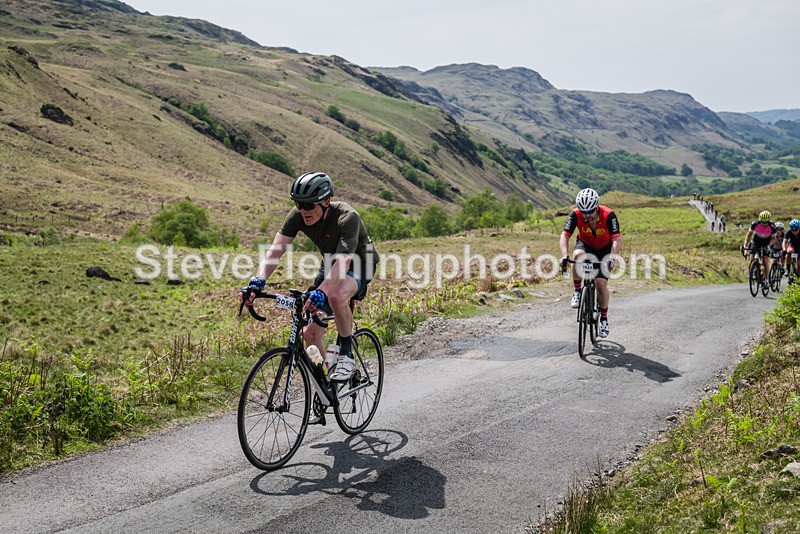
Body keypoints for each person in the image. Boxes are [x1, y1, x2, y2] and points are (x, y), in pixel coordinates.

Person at [240, 171, 379, 384]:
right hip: (331, 263)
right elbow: (276, 250)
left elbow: (344, 262)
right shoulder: (297, 216)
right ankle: (325, 383)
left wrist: (322, 291)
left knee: (337, 296)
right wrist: (258, 281)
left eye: (308, 205)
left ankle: (346, 354)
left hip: (360, 262)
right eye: (298, 204)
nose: (303, 210)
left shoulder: (347, 217)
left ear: (325, 202)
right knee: (309, 335)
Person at [559, 188, 622, 338]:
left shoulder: (608, 215)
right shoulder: (575, 214)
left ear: (596, 207)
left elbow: (616, 239)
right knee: (577, 256)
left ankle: (604, 320)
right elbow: (565, 236)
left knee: (601, 283)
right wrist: (564, 256)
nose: (586, 215)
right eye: (584, 212)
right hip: (585, 245)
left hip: (604, 249)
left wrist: (611, 259)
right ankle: (577, 292)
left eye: (590, 211)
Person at [741, 210, 776, 289]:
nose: (764, 224)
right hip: (756, 241)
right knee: (751, 259)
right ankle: (752, 272)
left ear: (769, 220)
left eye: (766, 222)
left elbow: (773, 239)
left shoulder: (772, 226)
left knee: (765, 260)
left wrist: (769, 246)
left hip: (766, 242)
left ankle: (766, 280)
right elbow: (749, 235)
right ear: (759, 220)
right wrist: (745, 245)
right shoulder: (755, 223)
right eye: (762, 222)